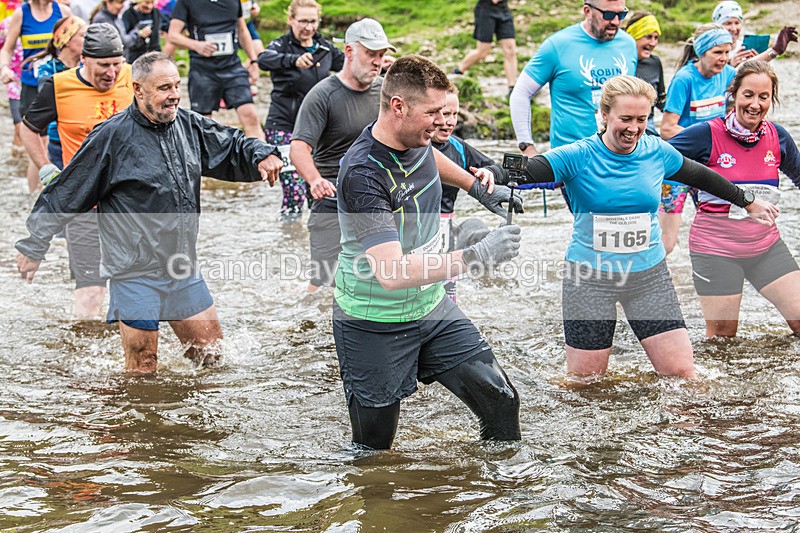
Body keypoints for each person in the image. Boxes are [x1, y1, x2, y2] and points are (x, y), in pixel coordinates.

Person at [489, 75, 777, 379]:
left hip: (649, 278)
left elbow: (702, 176)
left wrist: (747, 201)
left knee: (683, 377)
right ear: (604, 115)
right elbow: (527, 169)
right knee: (586, 385)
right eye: (625, 119)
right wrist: (490, 172)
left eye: (641, 119)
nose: (633, 128)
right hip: (590, 280)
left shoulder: (657, 152)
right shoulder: (578, 155)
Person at [15, 51, 284, 374]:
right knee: (143, 367)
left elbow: (231, 144)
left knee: (212, 359)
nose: (174, 95)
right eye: (164, 88)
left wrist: (261, 154)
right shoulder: (110, 137)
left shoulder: (188, 125)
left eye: (176, 86)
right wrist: (34, 245)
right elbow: (68, 191)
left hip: (181, 266)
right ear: (138, 89)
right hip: (134, 271)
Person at [333, 55, 524, 450]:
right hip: (373, 322)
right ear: (398, 106)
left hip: (432, 309)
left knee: (501, 402)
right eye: (432, 112)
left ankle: (501, 484)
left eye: (444, 111)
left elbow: (430, 159)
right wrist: (477, 255)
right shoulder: (363, 173)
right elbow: (391, 273)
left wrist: (477, 188)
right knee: (374, 451)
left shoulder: (415, 140)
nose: (442, 122)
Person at [668, 61, 800, 338]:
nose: (755, 104)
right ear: (733, 94)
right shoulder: (705, 135)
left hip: (766, 248)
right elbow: (656, 158)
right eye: (748, 95)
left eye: (763, 97)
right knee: (723, 341)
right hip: (716, 251)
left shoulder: (778, 137)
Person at [20, 23, 133, 319]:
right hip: (84, 204)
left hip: (131, 203)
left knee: (135, 286)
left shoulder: (135, 78)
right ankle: (82, 342)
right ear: (83, 59)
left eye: (117, 64)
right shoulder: (59, 86)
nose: (112, 73)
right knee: (91, 290)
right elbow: (28, 129)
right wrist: (46, 167)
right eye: (103, 66)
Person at [289, 18, 392, 292]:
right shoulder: (323, 95)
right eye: (371, 54)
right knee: (323, 285)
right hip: (332, 199)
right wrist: (315, 180)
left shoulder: (386, 92)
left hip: (378, 199)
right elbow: (298, 148)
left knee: (381, 280)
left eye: (381, 55)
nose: (377, 62)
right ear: (349, 51)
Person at [510, 0, 637, 158]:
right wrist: (527, 147)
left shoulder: (628, 44)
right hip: (571, 158)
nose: (616, 22)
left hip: (619, 156)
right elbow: (521, 92)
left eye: (621, 14)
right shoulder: (558, 45)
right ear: (587, 11)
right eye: (609, 15)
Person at [257, 0, 344, 222]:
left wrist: (380, 63)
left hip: (316, 130)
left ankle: (316, 232)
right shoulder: (281, 45)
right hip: (283, 126)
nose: (308, 27)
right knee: (294, 190)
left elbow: (349, 65)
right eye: (303, 21)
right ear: (291, 20)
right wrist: (293, 60)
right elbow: (263, 59)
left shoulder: (324, 47)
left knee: (318, 189)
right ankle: (290, 233)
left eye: (313, 21)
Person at [659, 24, 735, 254]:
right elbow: (667, 129)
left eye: (727, 52)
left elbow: (751, 76)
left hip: (708, 168)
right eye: (717, 52)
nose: (724, 58)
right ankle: (642, 273)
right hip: (677, 169)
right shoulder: (684, 79)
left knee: (719, 236)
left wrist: (773, 52)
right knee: (667, 242)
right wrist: (706, 141)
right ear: (701, 51)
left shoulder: (728, 74)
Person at [0, 0, 72, 192]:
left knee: (60, 138)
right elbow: (7, 49)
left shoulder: (63, 12)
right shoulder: (22, 14)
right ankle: (34, 195)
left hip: (61, 84)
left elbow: (77, 44)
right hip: (32, 87)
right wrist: (4, 67)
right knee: (39, 142)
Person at [431, 83, 494, 301]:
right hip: (412, 232)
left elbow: (492, 167)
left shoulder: (458, 147)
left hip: (445, 231)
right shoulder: (409, 146)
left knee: (447, 299)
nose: (450, 122)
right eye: (445, 113)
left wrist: (490, 173)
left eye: (455, 114)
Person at [167, 0, 264, 140]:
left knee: (251, 116)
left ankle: (261, 153)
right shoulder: (186, 2)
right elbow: (173, 35)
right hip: (202, 70)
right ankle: (204, 154)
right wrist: (196, 45)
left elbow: (242, 30)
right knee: (202, 125)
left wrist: (254, 61)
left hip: (232, 67)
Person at [27, 15, 86, 169]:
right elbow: (46, 100)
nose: (88, 40)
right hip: (59, 139)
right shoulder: (47, 69)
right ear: (67, 40)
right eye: (82, 36)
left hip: (86, 136)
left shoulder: (87, 67)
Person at [453, 0, 517, 95]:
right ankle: (458, 71)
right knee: (482, 52)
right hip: (486, 10)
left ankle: (512, 87)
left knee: (510, 50)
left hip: (503, 9)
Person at [711, 1, 797, 68]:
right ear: (718, 26)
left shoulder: (745, 47)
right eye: (728, 23)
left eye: (737, 23)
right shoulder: (710, 50)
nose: (733, 29)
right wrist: (730, 64)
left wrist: (759, 62)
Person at [625, 12, 664, 136]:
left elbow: (661, 99)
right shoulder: (619, 62)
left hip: (647, 123)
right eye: (648, 37)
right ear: (633, 36)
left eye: (656, 38)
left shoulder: (655, 62)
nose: (653, 43)